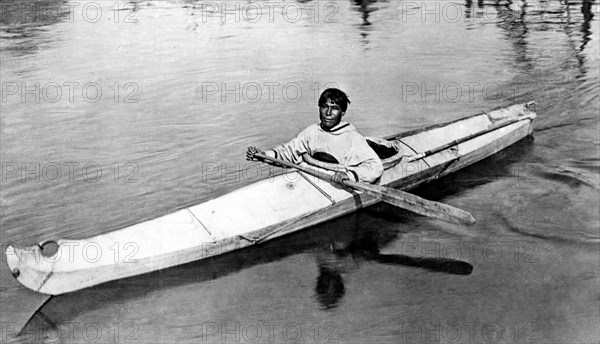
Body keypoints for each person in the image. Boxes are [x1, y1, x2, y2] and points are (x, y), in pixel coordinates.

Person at [246, 88, 383, 183]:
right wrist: (263, 155)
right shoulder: (311, 132)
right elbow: (289, 152)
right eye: (324, 106)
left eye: (334, 108)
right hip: (309, 174)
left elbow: (375, 166)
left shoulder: (353, 138)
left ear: (343, 113)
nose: (328, 113)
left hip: (337, 181)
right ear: (319, 107)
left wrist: (348, 176)